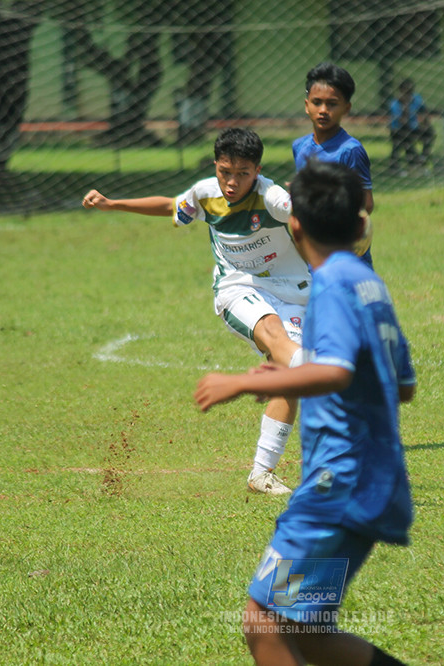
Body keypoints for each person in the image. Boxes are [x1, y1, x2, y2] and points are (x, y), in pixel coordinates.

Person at [195, 160, 415, 665]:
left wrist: (243, 382)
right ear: (361, 225)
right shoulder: (366, 282)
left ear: (293, 226)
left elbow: (337, 372)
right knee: (309, 631)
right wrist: (297, 372)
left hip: (336, 486)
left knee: (262, 622)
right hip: (372, 480)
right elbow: (402, 385)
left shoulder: (333, 286)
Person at [82, 128, 307, 496]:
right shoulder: (206, 193)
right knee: (275, 337)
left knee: (287, 377)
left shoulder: (273, 198)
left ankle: (261, 474)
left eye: (243, 174)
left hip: (293, 292)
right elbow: (171, 207)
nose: (232, 182)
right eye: (224, 171)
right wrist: (113, 203)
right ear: (216, 167)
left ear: (258, 170)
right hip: (239, 289)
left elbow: (305, 215)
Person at [293, 62, 375, 265]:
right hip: (313, 250)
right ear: (306, 105)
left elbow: (367, 204)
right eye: (317, 102)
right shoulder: (299, 146)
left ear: (346, 108)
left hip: (345, 252)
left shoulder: (350, 150)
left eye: (332, 104)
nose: (323, 110)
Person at [388, 78, 435, 175]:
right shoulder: (395, 103)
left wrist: (425, 122)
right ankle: (397, 167)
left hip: (413, 128)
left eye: (410, 91)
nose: (408, 94)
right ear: (401, 90)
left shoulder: (416, 98)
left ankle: (423, 157)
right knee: (402, 142)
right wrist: (404, 105)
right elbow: (402, 121)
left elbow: (424, 110)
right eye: (406, 91)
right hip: (398, 129)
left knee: (430, 132)